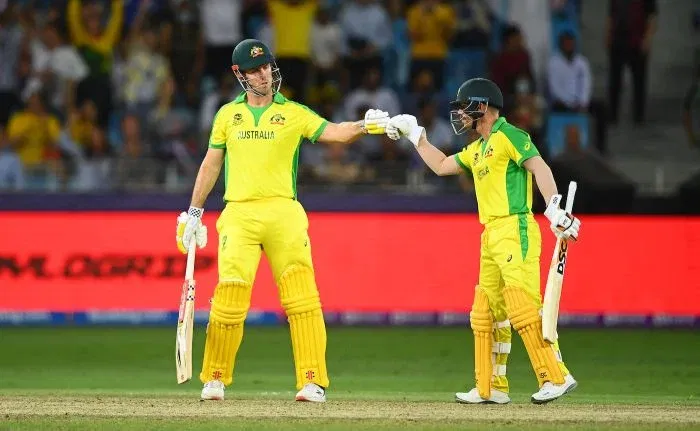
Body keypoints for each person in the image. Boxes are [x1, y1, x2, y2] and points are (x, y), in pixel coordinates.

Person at [175, 39, 389, 403]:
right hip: (238, 213)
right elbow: (211, 164)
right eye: (255, 70)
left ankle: (312, 381)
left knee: (301, 298)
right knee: (229, 298)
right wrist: (194, 211)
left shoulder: (293, 112)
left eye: (266, 67)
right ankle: (214, 378)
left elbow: (335, 131)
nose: (264, 75)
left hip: (283, 212)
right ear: (238, 74)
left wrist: (366, 126)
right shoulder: (227, 114)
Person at [386, 78, 581, 404]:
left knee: (522, 306)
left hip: (515, 228)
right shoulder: (476, 149)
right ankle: (491, 387)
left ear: (482, 105)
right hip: (490, 235)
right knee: (486, 312)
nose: (460, 115)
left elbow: (540, 167)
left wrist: (554, 209)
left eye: (464, 107)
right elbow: (442, 165)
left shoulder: (510, 135)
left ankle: (555, 377)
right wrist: (416, 136)